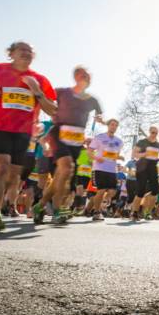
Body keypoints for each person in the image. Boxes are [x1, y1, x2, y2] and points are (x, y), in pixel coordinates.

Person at [0, 41, 57, 233]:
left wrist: (37, 92)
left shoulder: (40, 79)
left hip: (23, 131)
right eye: (22, 50)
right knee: (0, 166)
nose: (26, 53)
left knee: (13, 176)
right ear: (11, 53)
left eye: (30, 51)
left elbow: (53, 110)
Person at [33, 66, 102, 225]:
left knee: (61, 176)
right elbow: (42, 100)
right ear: (75, 76)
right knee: (66, 167)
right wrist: (35, 119)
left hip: (76, 140)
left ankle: (40, 205)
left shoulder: (92, 99)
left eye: (88, 76)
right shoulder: (61, 92)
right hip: (59, 133)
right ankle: (58, 209)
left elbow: (99, 114)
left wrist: (100, 119)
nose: (85, 78)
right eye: (82, 75)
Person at [87, 119, 124, 221]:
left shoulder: (119, 141)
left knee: (112, 192)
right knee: (101, 190)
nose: (114, 127)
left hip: (112, 170)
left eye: (116, 125)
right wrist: (96, 158)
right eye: (112, 125)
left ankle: (95, 204)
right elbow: (89, 151)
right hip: (100, 168)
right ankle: (97, 212)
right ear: (108, 126)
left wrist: (119, 157)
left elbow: (115, 155)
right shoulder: (99, 137)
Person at [129, 126, 159, 220]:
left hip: (152, 168)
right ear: (149, 132)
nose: (154, 135)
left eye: (156, 133)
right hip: (142, 168)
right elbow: (134, 155)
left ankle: (148, 212)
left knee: (155, 191)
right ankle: (134, 212)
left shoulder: (158, 145)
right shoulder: (142, 142)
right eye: (152, 132)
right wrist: (144, 154)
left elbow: (156, 157)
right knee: (140, 191)